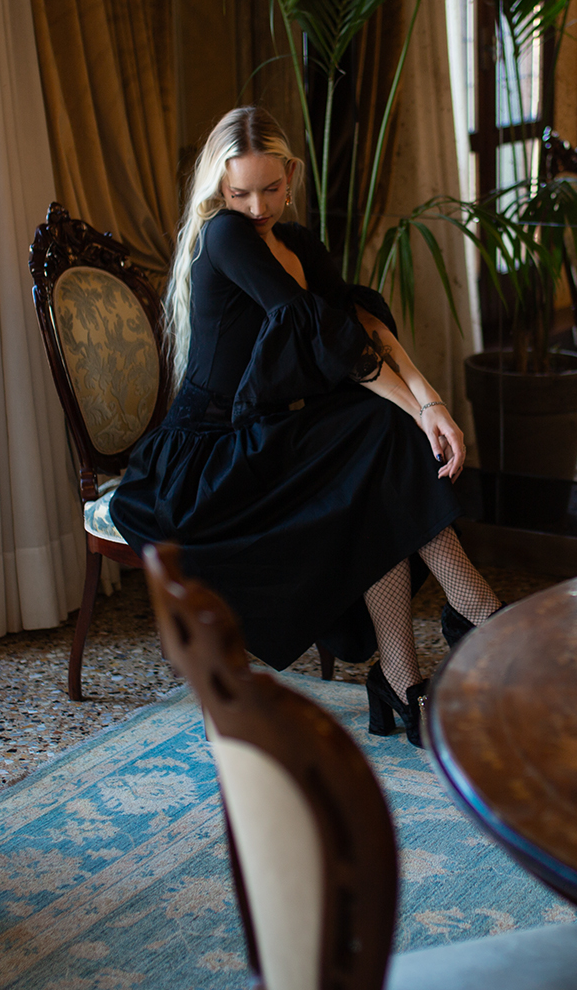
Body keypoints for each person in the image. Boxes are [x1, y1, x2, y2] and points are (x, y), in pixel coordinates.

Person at [111, 106, 502, 745]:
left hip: (267, 437)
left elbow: (359, 324)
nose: (257, 207)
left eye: (270, 189)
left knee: (373, 454)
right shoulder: (225, 235)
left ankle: (403, 677)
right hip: (206, 459)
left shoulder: (297, 244)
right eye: (240, 192)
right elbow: (324, 337)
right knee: (379, 435)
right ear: (219, 187)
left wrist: (429, 402)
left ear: (291, 175)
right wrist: (417, 415)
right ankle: (478, 613)